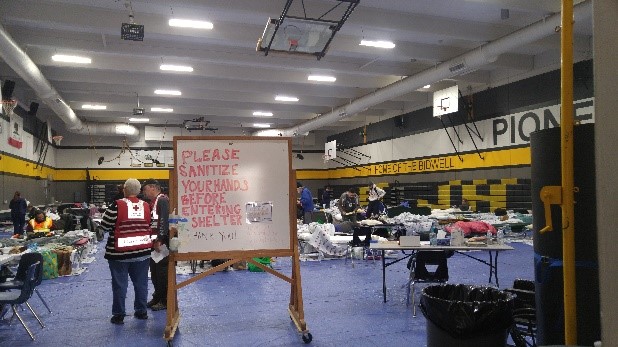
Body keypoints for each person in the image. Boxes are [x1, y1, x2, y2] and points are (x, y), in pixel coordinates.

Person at [99, 178, 152, 325]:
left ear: (124, 190)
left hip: (119, 254)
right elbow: (150, 225)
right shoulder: (147, 206)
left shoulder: (116, 206)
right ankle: (141, 312)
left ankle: (119, 315)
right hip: (142, 252)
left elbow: (105, 226)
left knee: (120, 285)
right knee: (141, 284)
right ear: (139, 191)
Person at [142, 179, 170, 311]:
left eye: (145, 188)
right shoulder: (153, 202)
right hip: (154, 243)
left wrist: (160, 238)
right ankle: (157, 296)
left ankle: (164, 300)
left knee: (162, 272)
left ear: (153, 187)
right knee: (154, 271)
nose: (144, 192)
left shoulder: (162, 200)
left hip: (161, 244)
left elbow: (164, 220)